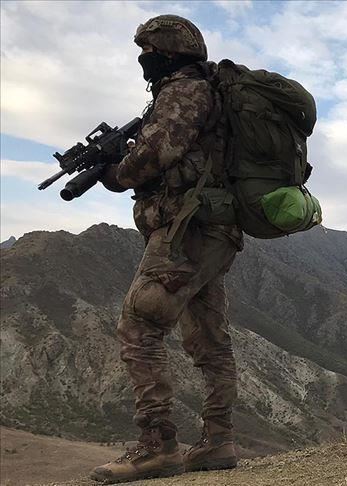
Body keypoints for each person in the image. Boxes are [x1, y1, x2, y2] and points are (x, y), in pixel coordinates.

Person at [91, 15, 242, 483]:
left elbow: (155, 155)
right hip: (212, 230)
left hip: (185, 231)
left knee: (139, 327)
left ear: (171, 52)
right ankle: (218, 439)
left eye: (149, 52)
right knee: (208, 339)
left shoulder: (184, 91)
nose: (143, 61)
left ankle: (158, 447)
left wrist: (114, 172)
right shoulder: (207, 92)